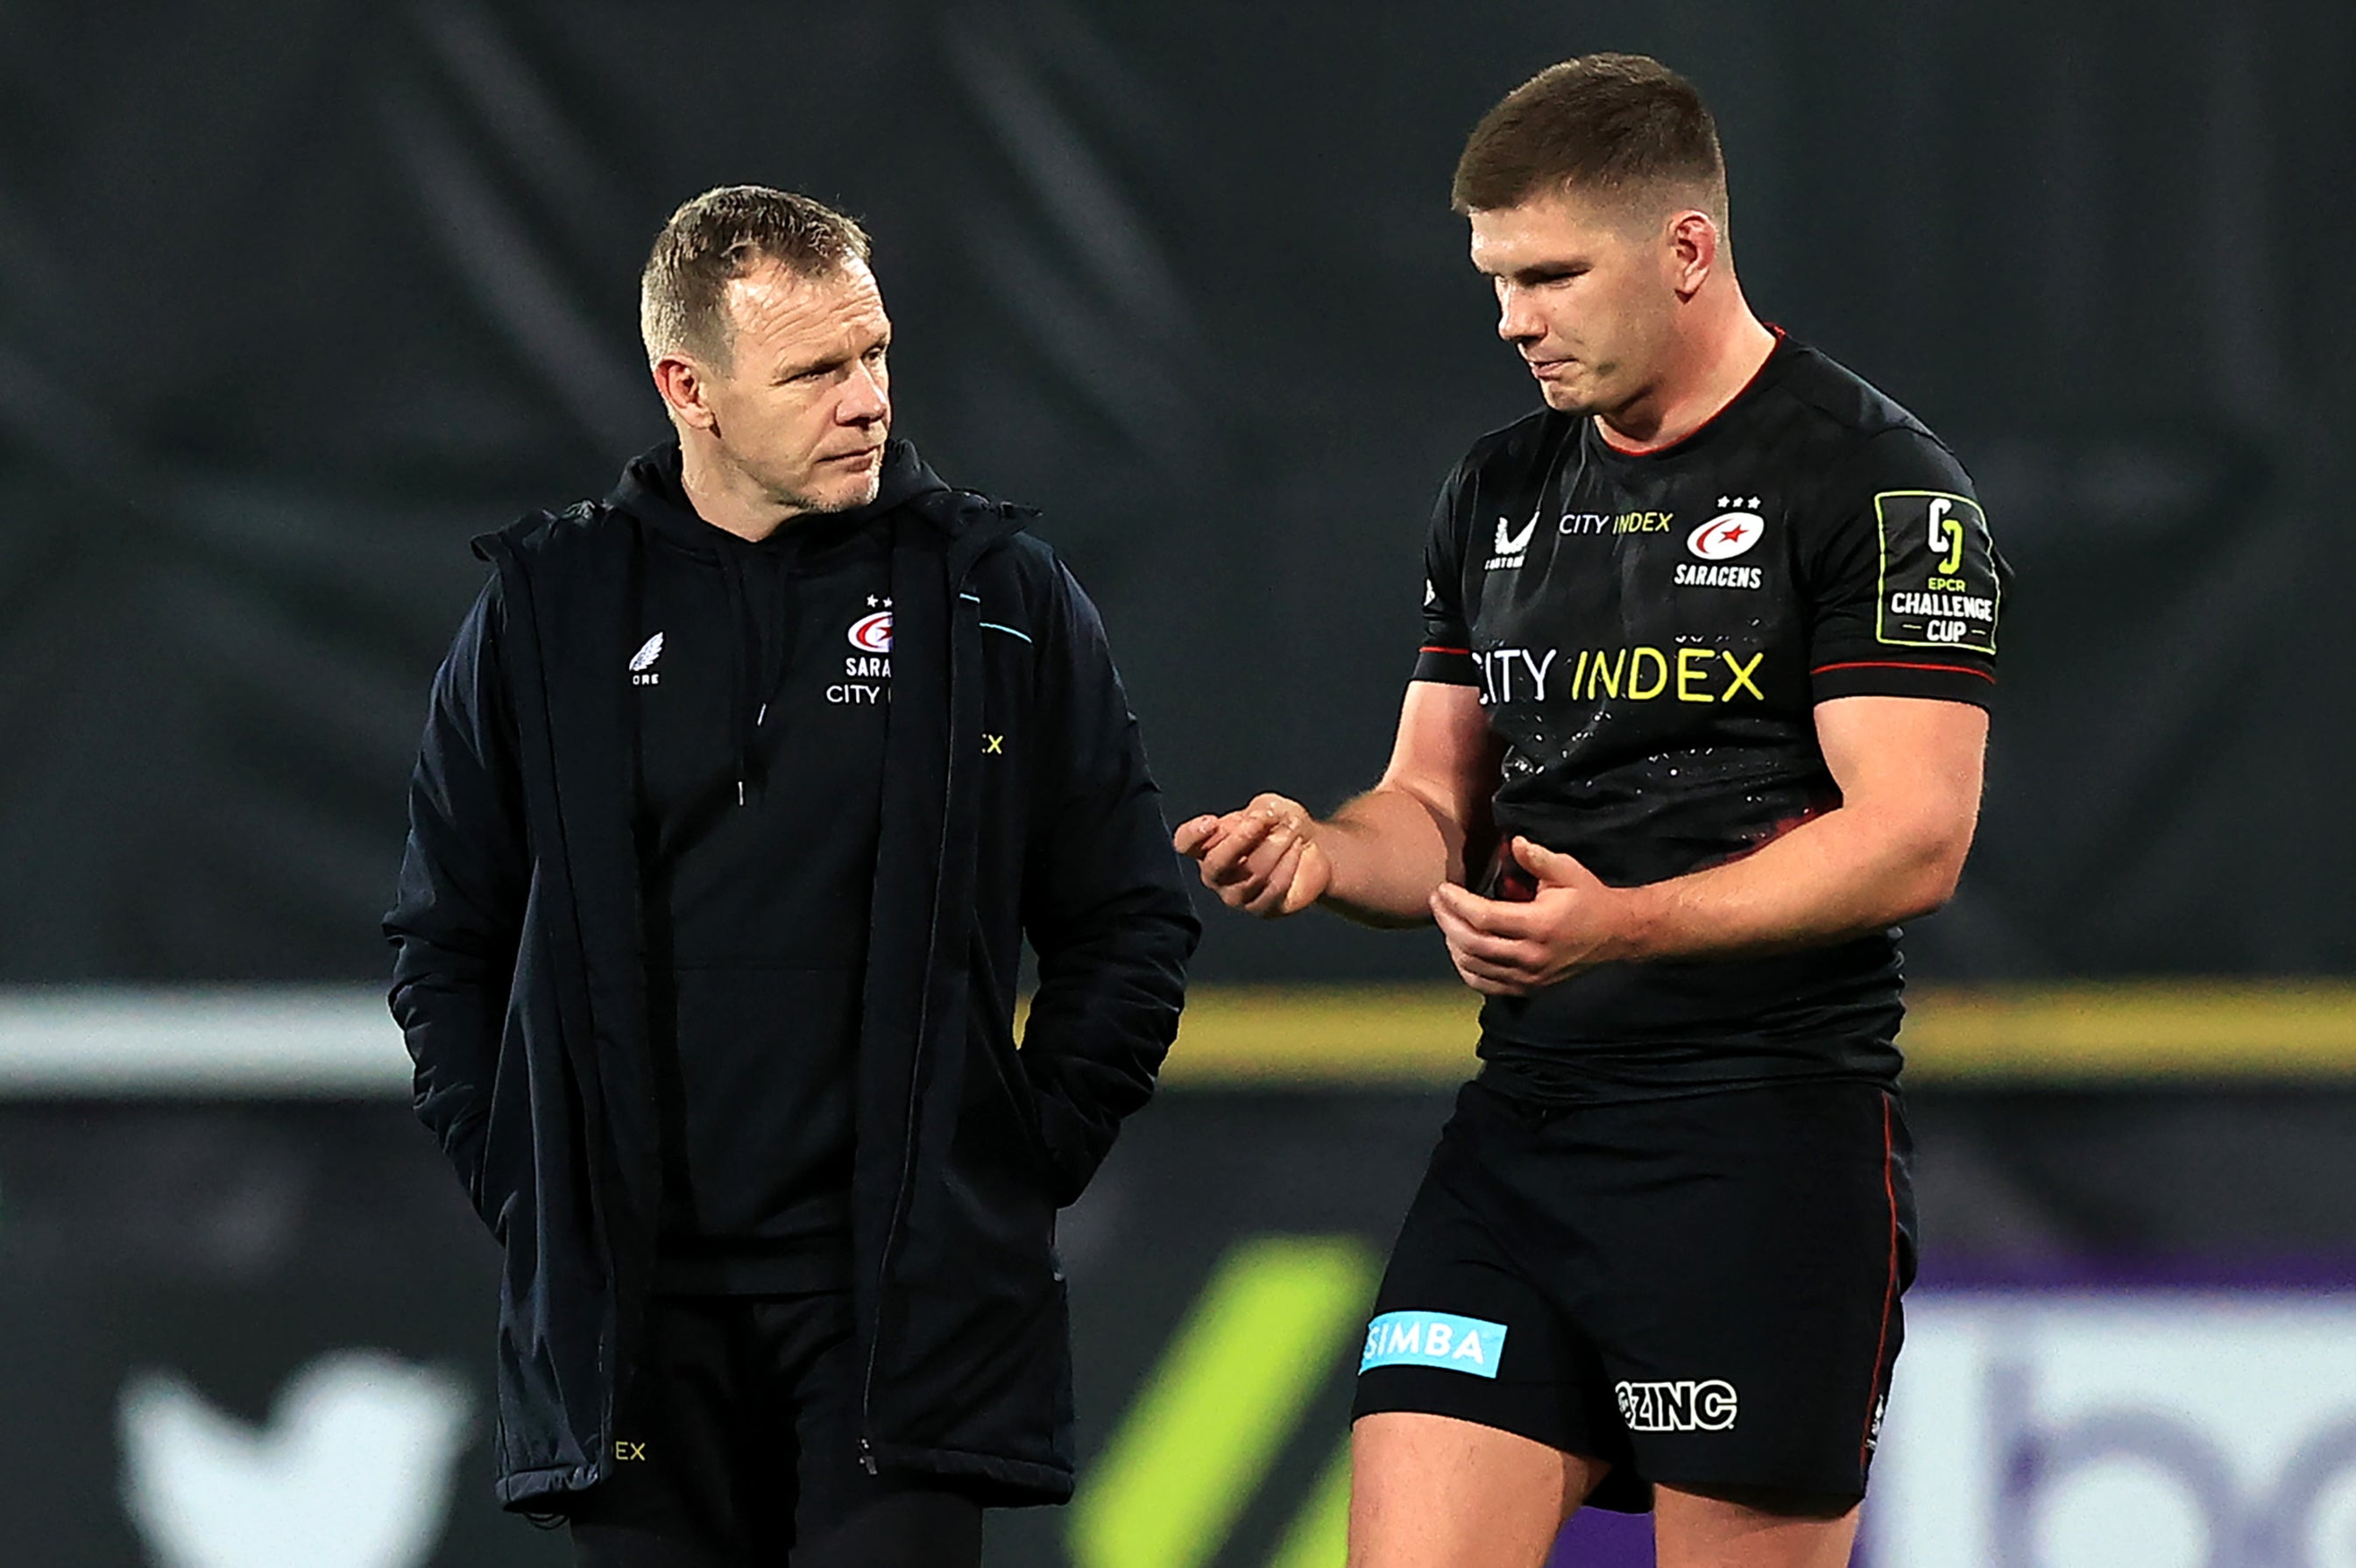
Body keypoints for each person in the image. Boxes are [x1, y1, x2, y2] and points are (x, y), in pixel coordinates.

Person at [1177, 54, 1999, 1568]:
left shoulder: (1876, 483)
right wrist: (1324, 849)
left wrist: (1624, 924)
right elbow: (1429, 802)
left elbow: (1914, 836)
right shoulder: (1495, 490)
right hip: (1523, 1140)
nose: (1511, 318)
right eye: (1495, 278)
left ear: (1686, 249)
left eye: (1550, 274)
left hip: (1760, 1154)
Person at [386, 185, 1198, 1568]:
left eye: (874, 351)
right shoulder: (549, 606)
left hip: (901, 1317)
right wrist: (530, 1186)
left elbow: (1127, 916)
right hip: (635, 1322)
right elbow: (442, 941)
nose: (866, 397)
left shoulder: (997, 593)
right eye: (815, 368)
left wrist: (1010, 1157)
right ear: (686, 388)